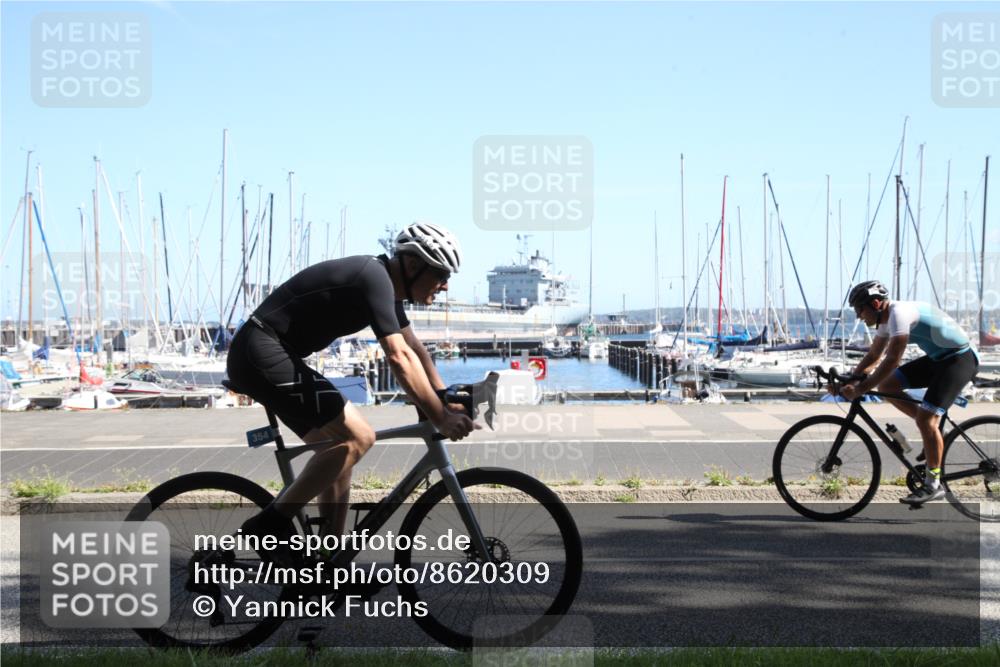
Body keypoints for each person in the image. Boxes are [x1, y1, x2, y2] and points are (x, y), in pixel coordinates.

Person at [227, 222, 476, 548]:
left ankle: (325, 567)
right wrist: (440, 416)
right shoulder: (372, 278)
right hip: (261, 351)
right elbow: (399, 358)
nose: (444, 286)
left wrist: (442, 396)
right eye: (441, 274)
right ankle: (268, 524)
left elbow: (414, 348)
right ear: (413, 265)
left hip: (269, 353)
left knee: (339, 453)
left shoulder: (387, 288)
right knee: (359, 437)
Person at [840, 280, 979, 505]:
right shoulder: (885, 321)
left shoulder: (899, 314)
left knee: (926, 419)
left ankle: (933, 484)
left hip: (959, 359)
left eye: (860, 310)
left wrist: (861, 388)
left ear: (875, 303)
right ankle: (932, 433)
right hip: (938, 359)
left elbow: (893, 358)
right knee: (886, 387)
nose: (859, 316)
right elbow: (874, 356)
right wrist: (852, 378)